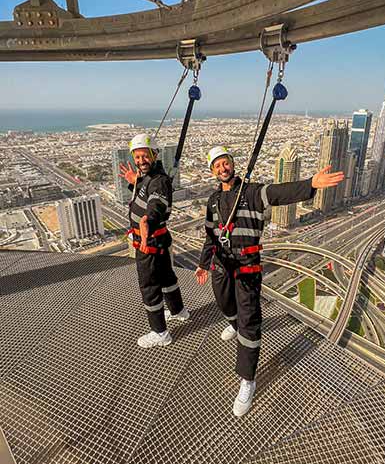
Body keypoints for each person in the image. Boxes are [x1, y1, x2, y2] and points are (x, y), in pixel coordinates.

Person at [195, 146, 344, 417]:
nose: (222, 168)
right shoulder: (213, 201)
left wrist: (310, 184)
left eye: (225, 162)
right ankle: (233, 324)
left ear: (233, 164)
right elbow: (210, 235)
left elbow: (278, 193)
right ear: (212, 172)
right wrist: (204, 262)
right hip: (222, 264)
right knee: (224, 302)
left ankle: (247, 379)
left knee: (249, 321)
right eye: (216, 166)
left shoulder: (251, 192)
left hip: (247, 266)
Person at [119, 133, 189, 349]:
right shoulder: (148, 178)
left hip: (148, 242)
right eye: (137, 157)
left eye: (145, 156)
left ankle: (160, 333)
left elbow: (156, 204)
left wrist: (148, 220)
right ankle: (178, 311)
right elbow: (145, 194)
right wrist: (134, 182)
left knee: (149, 286)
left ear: (155, 154)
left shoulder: (158, 181)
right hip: (158, 241)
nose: (141, 161)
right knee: (167, 277)